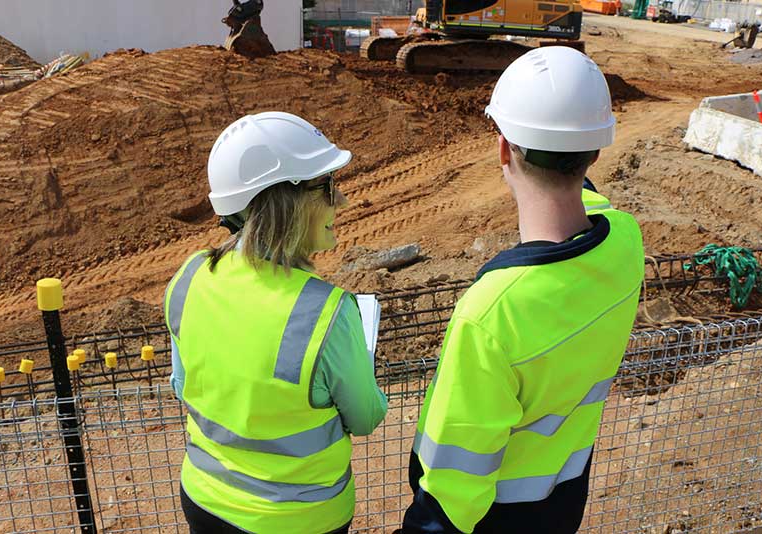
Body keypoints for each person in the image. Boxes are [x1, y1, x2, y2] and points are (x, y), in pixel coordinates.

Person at [399, 47, 645, 533]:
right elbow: (593, 202)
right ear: (595, 152)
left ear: (503, 149)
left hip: (496, 521)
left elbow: (449, 495)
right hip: (565, 498)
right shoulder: (625, 243)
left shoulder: (491, 314)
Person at [164, 111, 388, 534]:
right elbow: (365, 418)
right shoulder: (328, 314)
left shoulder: (189, 278)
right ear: (285, 200)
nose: (341, 201)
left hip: (204, 501)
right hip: (300, 521)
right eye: (327, 187)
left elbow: (183, 385)